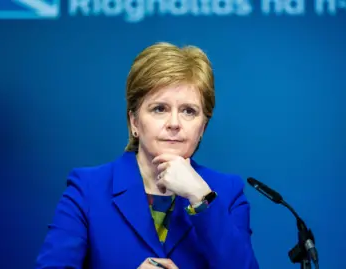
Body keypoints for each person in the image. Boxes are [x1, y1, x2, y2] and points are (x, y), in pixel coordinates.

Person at [35, 42, 259, 269]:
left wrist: (201, 198)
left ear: (202, 127)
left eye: (188, 111)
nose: (174, 123)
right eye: (159, 109)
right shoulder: (88, 189)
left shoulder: (227, 192)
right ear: (134, 121)